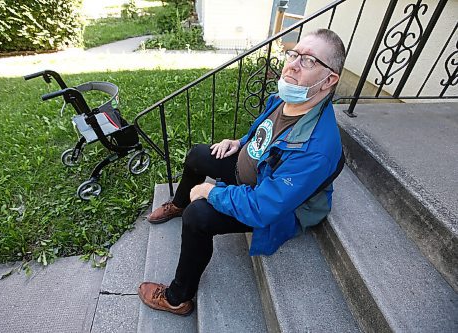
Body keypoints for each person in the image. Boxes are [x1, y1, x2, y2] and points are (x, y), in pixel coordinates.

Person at [138, 28, 346, 316]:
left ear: (329, 80)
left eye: (309, 61)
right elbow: (264, 130)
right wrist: (240, 142)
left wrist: (211, 191)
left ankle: (177, 297)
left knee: (198, 216)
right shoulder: (286, 98)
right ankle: (179, 202)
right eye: (294, 54)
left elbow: (264, 207)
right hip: (252, 170)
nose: (293, 64)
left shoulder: (316, 148)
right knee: (198, 154)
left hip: (273, 203)